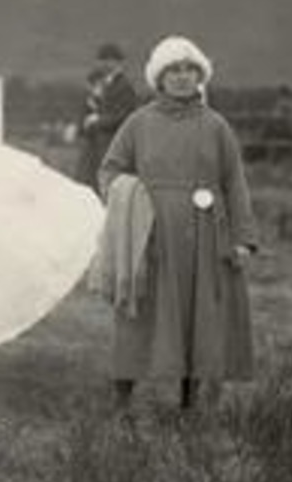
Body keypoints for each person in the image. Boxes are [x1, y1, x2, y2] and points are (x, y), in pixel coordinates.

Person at [98, 35, 257, 411]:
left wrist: (243, 238)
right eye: (174, 70)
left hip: (205, 237)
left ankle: (190, 403)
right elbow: (110, 170)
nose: (183, 77)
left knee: (198, 317)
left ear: (200, 75)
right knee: (139, 315)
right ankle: (122, 403)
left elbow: (235, 182)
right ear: (159, 77)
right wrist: (131, 201)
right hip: (151, 238)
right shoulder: (138, 123)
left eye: (190, 69)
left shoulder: (217, 125)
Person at [74, 42, 139, 192]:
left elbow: (124, 116)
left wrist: (97, 120)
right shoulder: (107, 85)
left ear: (115, 62)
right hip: (99, 146)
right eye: (101, 60)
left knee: (106, 186)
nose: (102, 64)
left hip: (112, 145)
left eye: (106, 60)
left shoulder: (124, 86)